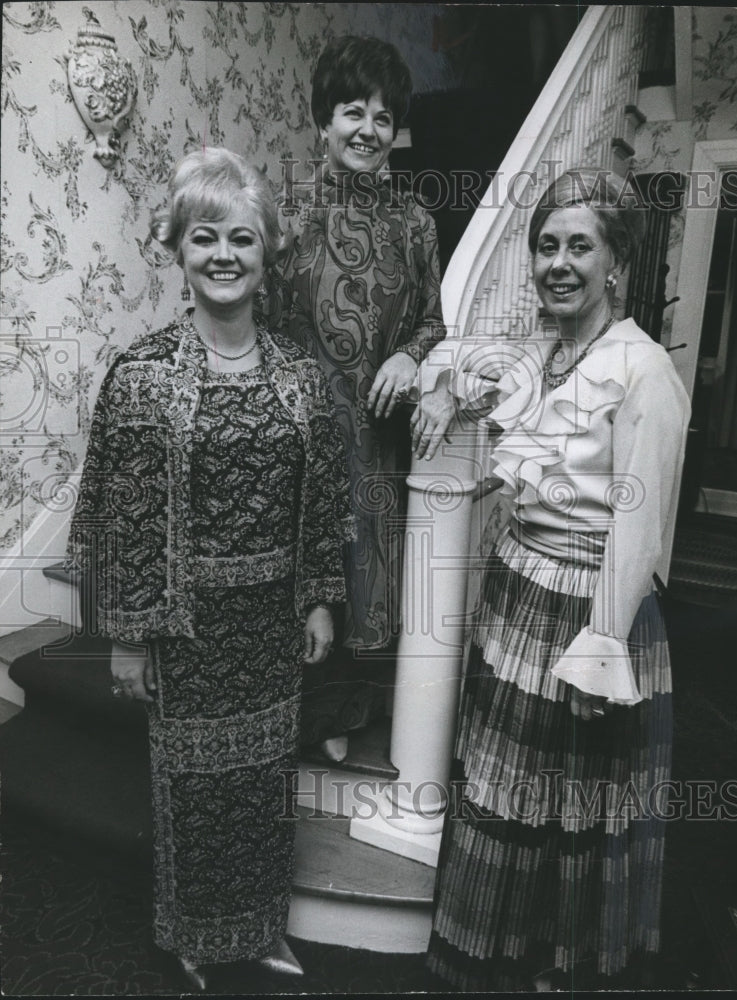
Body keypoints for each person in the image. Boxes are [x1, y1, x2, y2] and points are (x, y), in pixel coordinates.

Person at [67, 148, 352, 991]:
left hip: (270, 631)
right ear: (178, 250)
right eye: (204, 238)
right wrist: (126, 639)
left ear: (267, 255)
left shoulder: (303, 376)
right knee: (191, 792)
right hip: (184, 631)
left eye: (241, 238)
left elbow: (326, 499)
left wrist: (319, 600)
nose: (223, 255)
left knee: (264, 790)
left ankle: (263, 931)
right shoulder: (142, 377)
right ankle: (192, 936)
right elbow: (115, 517)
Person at [417, 168, 691, 990]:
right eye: (546, 246)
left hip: (586, 602)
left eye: (580, 246)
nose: (558, 263)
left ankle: (554, 961)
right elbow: (476, 380)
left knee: (570, 798)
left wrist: (603, 644)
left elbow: (639, 531)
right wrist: (439, 386)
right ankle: (495, 942)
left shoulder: (643, 372)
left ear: (616, 265)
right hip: (518, 587)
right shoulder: (545, 352)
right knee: (508, 783)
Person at [273, 35, 446, 760]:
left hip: (374, 439)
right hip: (295, 434)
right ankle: (278, 712)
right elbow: (255, 322)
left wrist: (410, 355)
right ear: (323, 121)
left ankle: (338, 712)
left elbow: (436, 321)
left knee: (357, 576)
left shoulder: (415, 224)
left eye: (382, 117)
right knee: (290, 572)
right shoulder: (286, 214)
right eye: (353, 112)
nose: (368, 130)